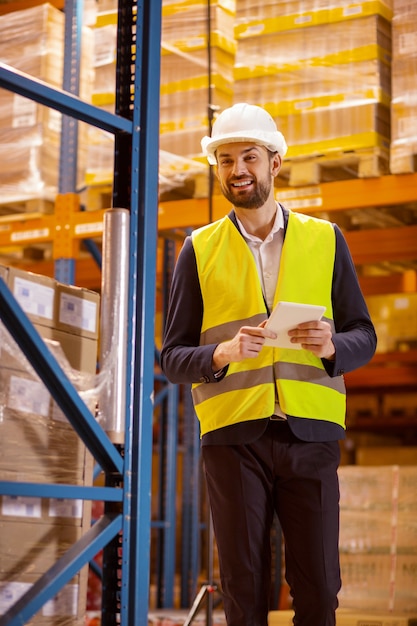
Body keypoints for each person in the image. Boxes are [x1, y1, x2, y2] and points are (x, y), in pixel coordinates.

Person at [160, 102, 377, 626]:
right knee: (245, 586)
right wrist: (222, 354)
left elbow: (363, 336)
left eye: (249, 157)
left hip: (311, 436)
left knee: (320, 586)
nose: (238, 170)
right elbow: (172, 358)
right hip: (235, 441)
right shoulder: (198, 249)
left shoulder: (325, 240)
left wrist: (331, 346)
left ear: (274, 162)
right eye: (226, 159)